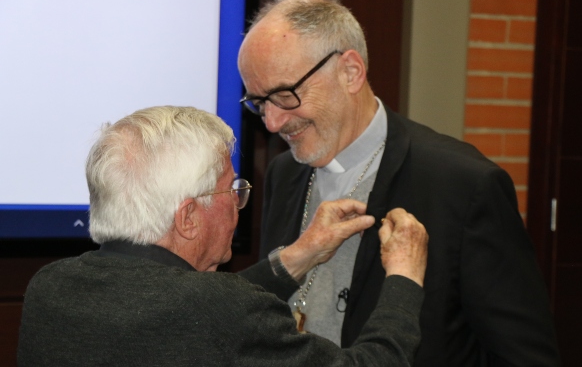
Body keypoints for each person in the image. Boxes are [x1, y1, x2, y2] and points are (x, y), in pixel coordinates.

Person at [237, 0, 561, 367]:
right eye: (260, 103)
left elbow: (525, 355)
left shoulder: (463, 186)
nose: (273, 123)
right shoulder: (284, 173)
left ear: (351, 72)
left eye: (285, 95)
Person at [17, 106, 429, 366]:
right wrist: (404, 278)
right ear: (189, 218)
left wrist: (298, 257)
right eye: (232, 189)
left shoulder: (49, 288)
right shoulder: (223, 311)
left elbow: (178, 310)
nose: (239, 201)